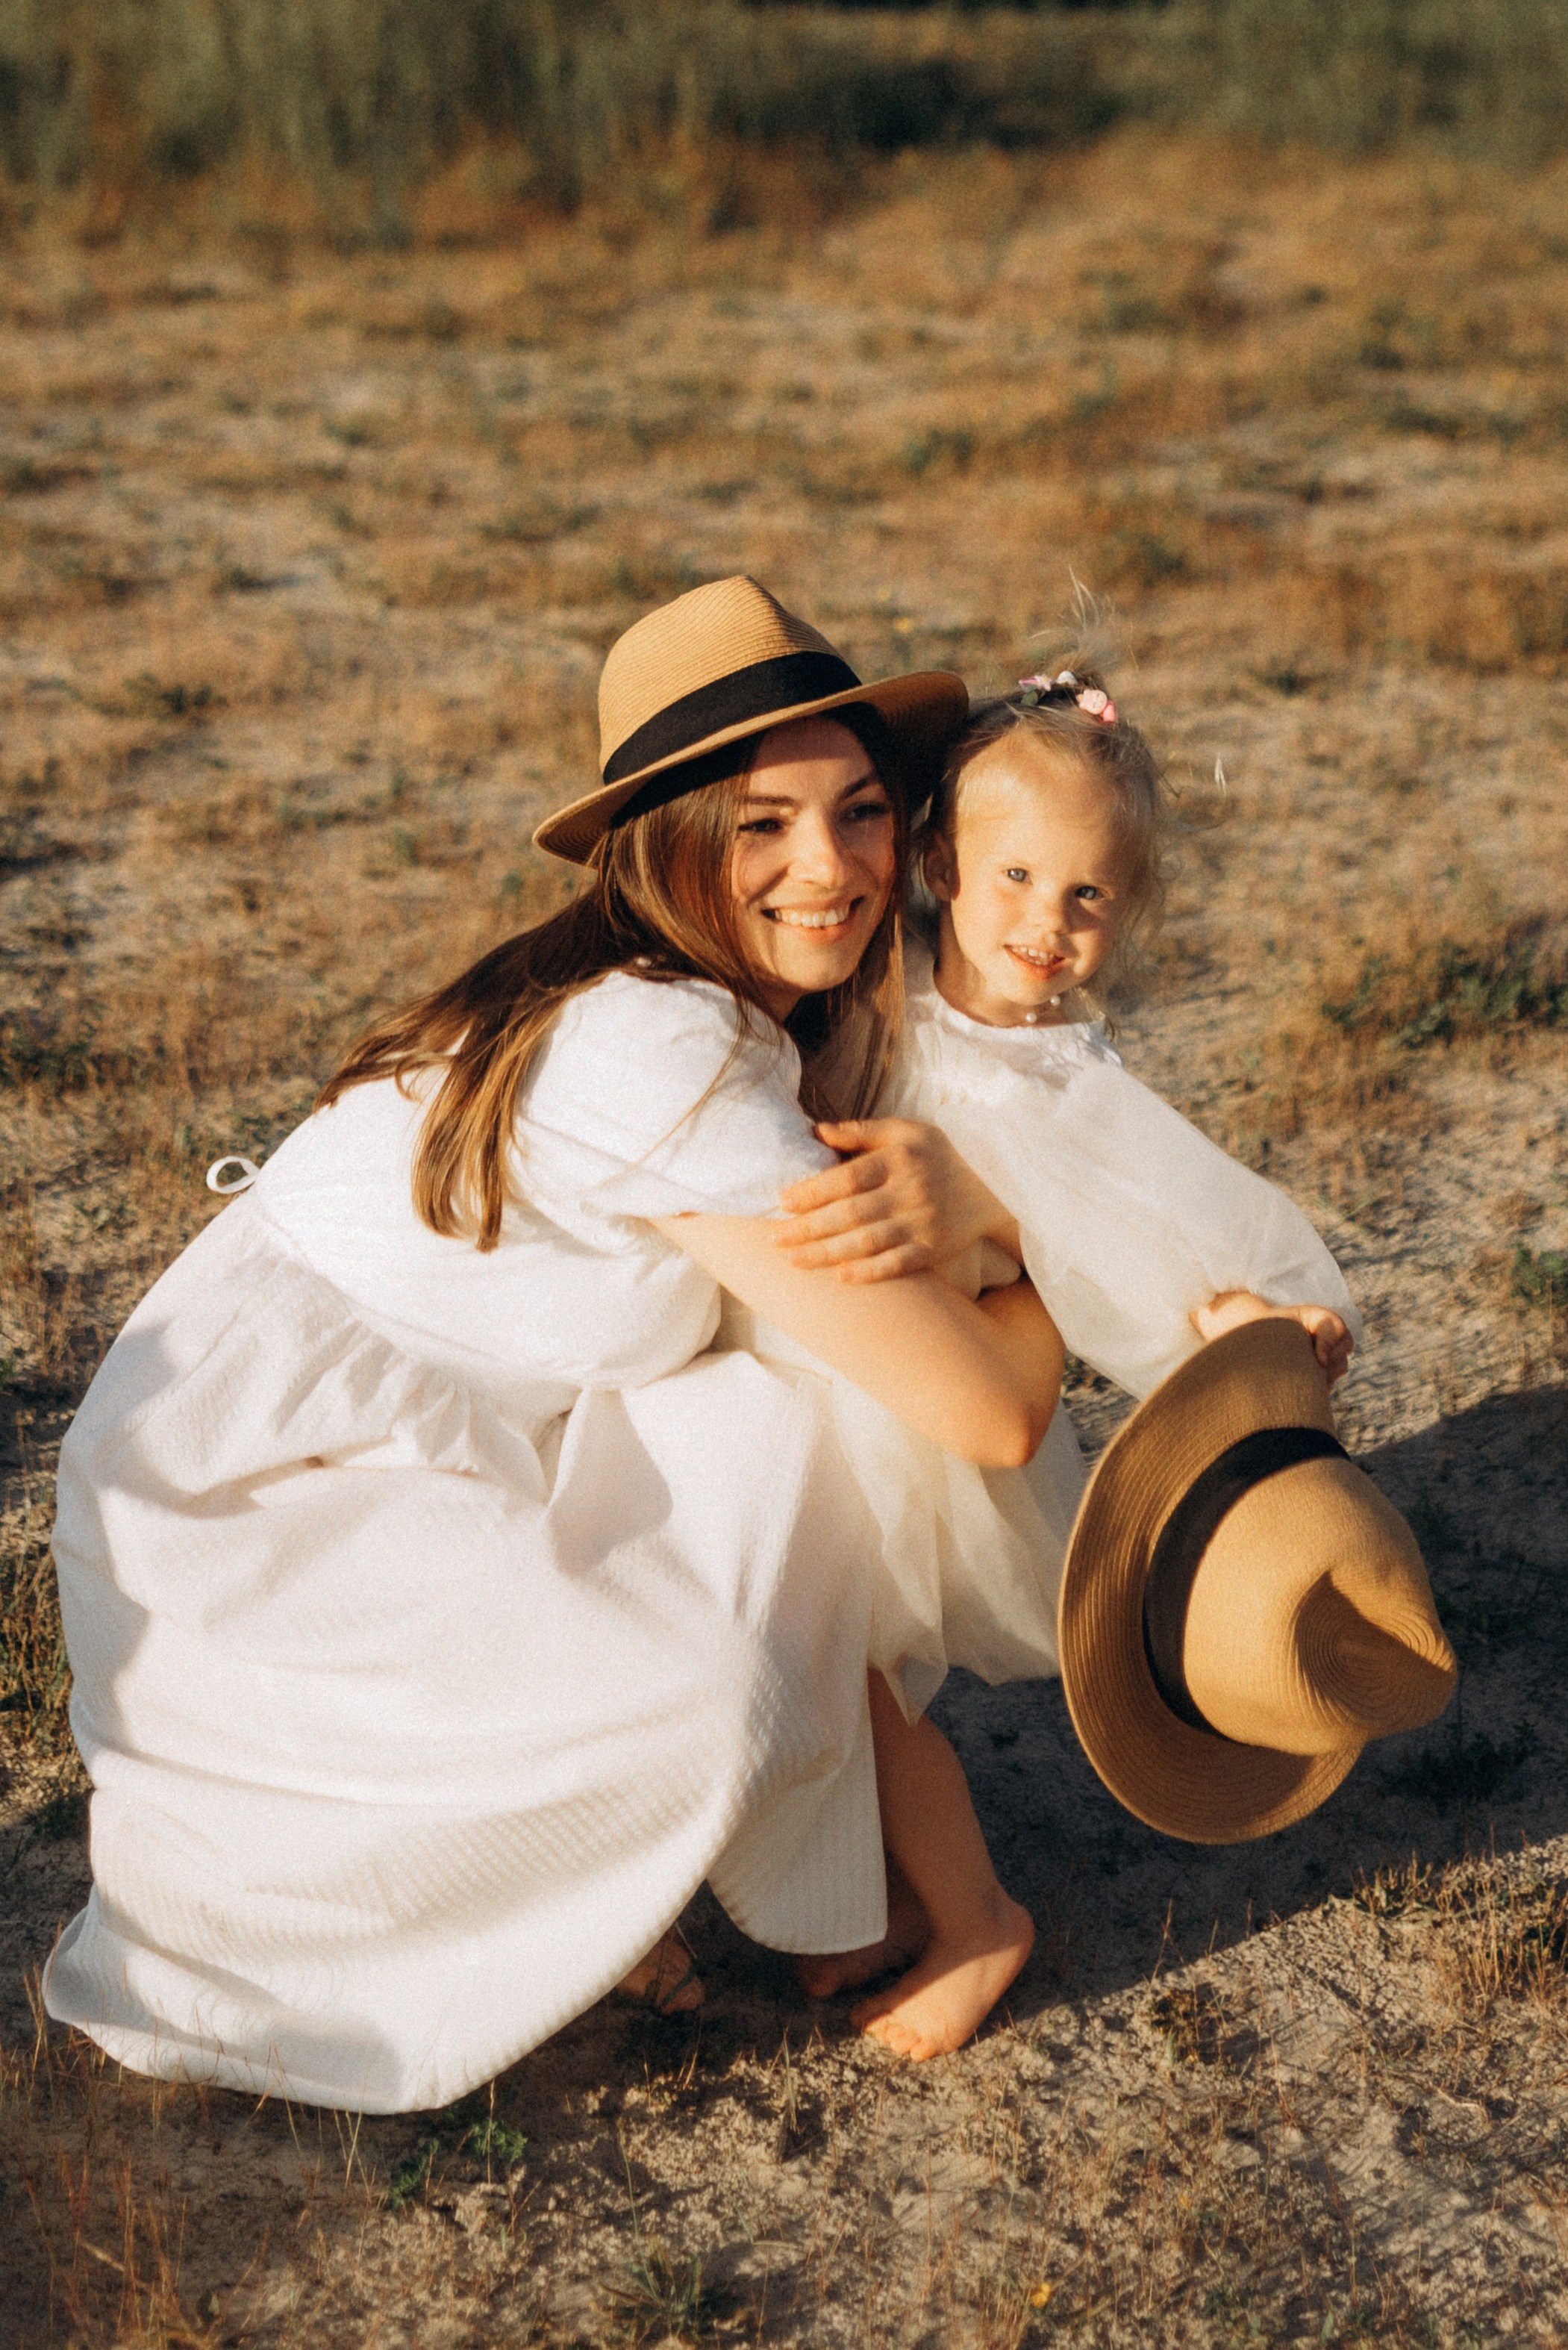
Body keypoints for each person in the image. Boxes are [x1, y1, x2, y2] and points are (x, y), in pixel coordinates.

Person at [43, 578, 1058, 2111]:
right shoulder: (658, 1048)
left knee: (778, 1437)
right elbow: (987, 1412)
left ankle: (814, 1877)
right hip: (249, 1517)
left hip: (390, 1439)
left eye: (859, 811)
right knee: (743, 1583)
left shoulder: (678, 990)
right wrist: (1059, 1252)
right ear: (666, 843)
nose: (831, 867)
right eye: (759, 826)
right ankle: (654, 1882)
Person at [766, 666, 1369, 2030]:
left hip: (906, 1394)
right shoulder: (891, 966)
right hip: (836, 1349)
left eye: (1088, 897)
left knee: (863, 1667)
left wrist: (1225, 1313)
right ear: (935, 864)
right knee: (822, 1659)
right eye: (1018, 878)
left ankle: (976, 1919)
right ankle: (885, 1892)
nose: (1046, 924)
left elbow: (1127, 1218)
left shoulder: (1062, 1076)